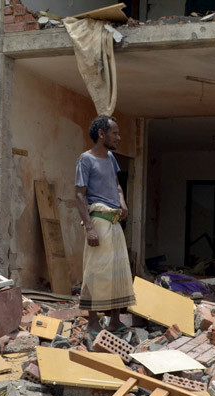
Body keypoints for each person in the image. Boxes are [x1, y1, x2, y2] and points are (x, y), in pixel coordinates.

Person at [75, 115, 135, 333]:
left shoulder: (111, 158)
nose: (118, 137)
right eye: (115, 133)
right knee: (96, 272)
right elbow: (80, 196)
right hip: (98, 220)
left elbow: (117, 186)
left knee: (119, 271)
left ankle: (115, 321)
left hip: (115, 221)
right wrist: (89, 227)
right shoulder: (86, 159)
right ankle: (92, 322)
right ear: (102, 134)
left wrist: (123, 202)